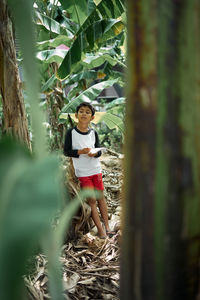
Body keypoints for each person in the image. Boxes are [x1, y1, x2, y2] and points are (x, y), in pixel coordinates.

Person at [64, 102, 114, 239]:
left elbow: (98, 151)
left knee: (101, 199)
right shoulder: (71, 133)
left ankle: (108, 227)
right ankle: (100, 230)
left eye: (87, 112)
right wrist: (81, 151)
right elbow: (66, 151)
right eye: (81, 111)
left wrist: (94, 153)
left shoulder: (93, 133)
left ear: (92, 117)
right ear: (76, 115)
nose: (84, 113)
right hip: (83, 172)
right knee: (92, 200)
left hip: (96, 169)